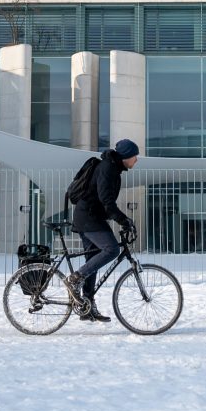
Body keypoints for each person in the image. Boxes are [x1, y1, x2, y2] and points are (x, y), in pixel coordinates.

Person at [66, 138, 139, 322]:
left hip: (91, 216)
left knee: (93, 258)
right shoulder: (108, 169)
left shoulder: (113, 168)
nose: (136, 160)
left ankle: (86, 306)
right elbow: (107, 201)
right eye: (134, 156)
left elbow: (105, 202)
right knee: (111, 249)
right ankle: (76, 277)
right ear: (126, 156)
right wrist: (123, 220)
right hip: (88, 217)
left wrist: (121, 220)